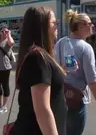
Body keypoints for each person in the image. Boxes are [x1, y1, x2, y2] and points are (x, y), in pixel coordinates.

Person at [10, 7, 67, 135]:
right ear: (42, 26)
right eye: (54, 22)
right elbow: (42, 110)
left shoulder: (41, 56)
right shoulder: (37, 58)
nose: (57, 25)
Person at [55, 10, 96, 135]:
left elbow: (56, 69)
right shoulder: (86, 47)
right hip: (77, 99)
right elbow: (92, 79)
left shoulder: (60, 43)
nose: (93, 26)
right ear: (80, 26)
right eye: (89, 24)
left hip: (60, 97)